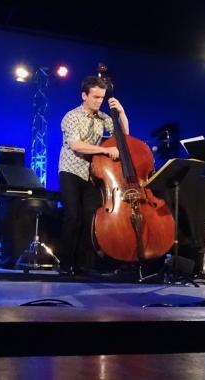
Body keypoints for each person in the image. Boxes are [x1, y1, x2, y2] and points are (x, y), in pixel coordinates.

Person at [57, 75, 129, 274]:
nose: (99, 101)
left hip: (91, 173)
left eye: (102, 98)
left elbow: (124, 135)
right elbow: (76, 145)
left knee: (90, 219)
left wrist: (121, 112)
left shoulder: (103, 118)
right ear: (84, 96)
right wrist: (105, 151)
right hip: (71, 170)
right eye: (95, 97)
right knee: (73, 216)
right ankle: (65, 265)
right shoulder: (71, 116)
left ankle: (83, 265)